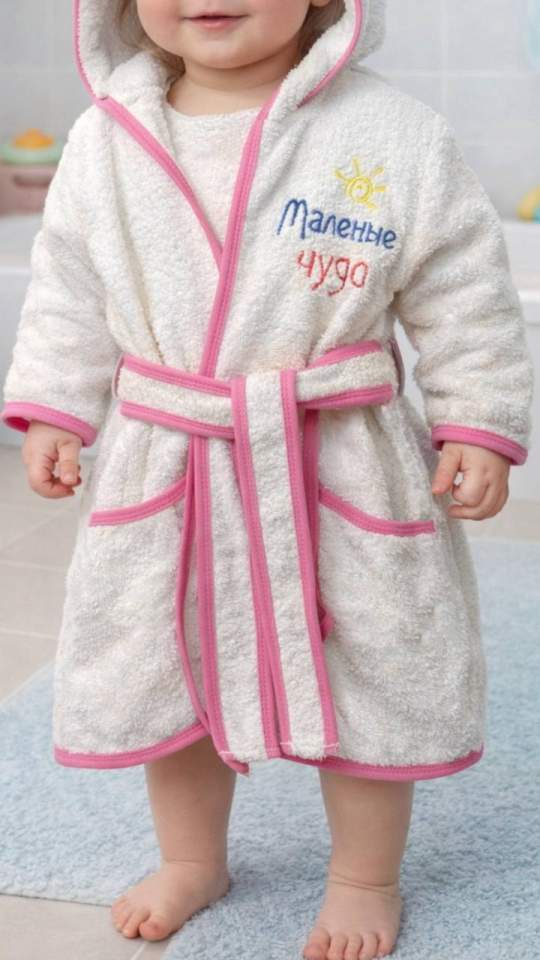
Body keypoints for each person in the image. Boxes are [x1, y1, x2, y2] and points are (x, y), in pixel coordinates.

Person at [1, 0, 534, 957]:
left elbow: (465, 291)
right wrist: (53, 405)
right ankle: (193, 859)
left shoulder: (392, 133)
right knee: (170, 670)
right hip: (174, 456)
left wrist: (478, 420)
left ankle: (364, 878)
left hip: (342, 458)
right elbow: (68, 292)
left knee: (377, 671)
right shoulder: (106, 137)